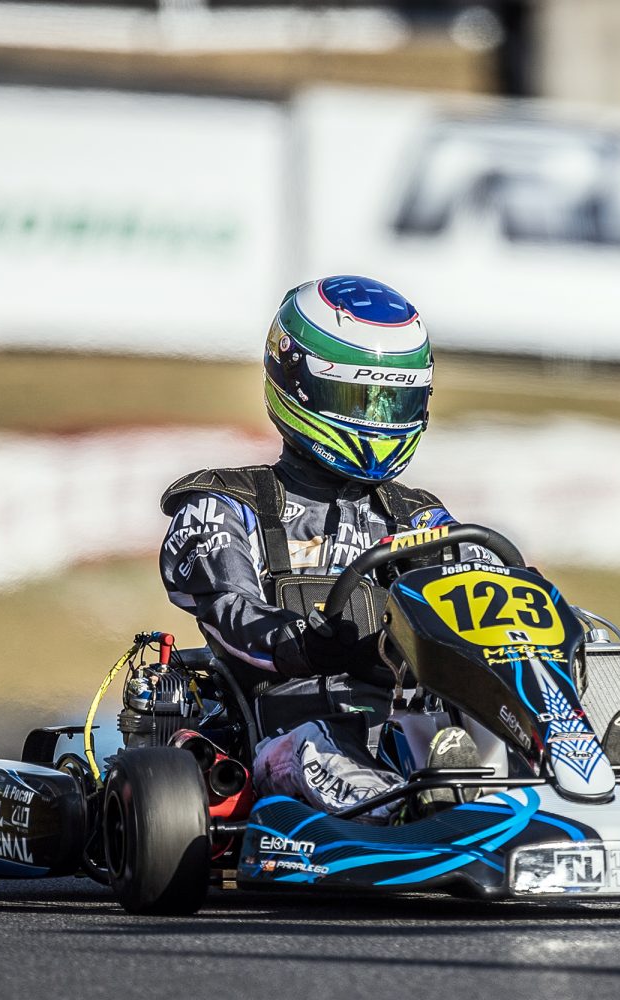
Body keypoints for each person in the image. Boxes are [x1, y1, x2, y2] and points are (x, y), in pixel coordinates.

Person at [157, 275, 489, 822]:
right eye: (362, 399)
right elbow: (226, 609)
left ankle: (576, 780)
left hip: (409, 727)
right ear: (299, 383)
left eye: (394, 401)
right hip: (283, 727)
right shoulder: (224, 505)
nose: (380, 419)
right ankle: (403, 815)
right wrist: (301, 644)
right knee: (318, 744)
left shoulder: (415, 515)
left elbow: (482, 588)